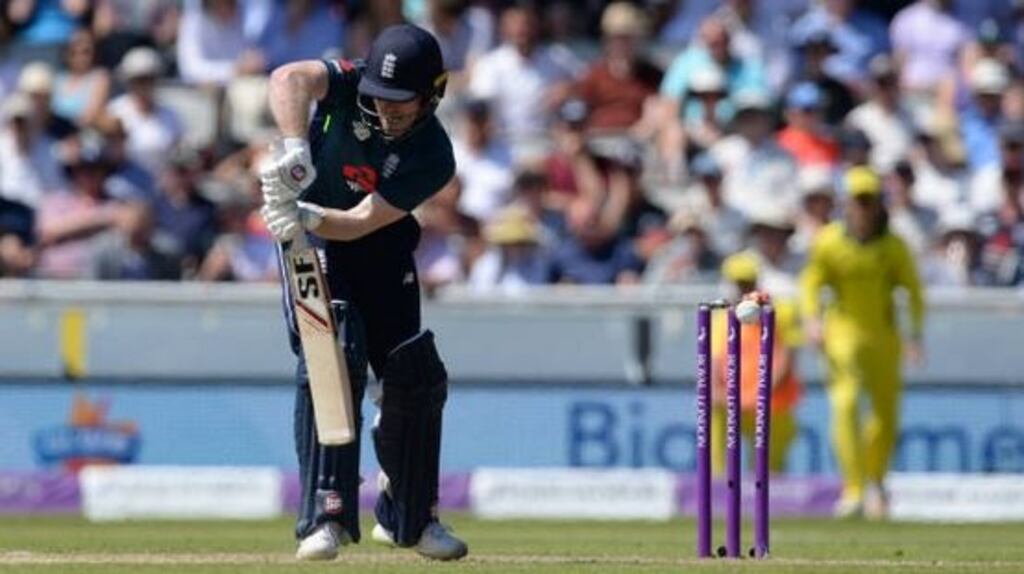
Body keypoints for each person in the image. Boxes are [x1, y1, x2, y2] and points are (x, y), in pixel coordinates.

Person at [257, 24, 468, 561]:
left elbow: (358, 222)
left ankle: (411, 519)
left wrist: (301, 212)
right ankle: (324, 517)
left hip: (372, 240)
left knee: (414, 375)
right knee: (334, 353)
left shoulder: (434, 155)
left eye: (401, 101)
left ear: (432, 95)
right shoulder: (350, 84)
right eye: (380, 97)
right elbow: (287, 77)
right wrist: (295, 147)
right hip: (314, 249)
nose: (387, 110)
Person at [800, 166, 926, 520]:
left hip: (884, 337)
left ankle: (876, 479)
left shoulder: (893, 245)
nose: (863, 207)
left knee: (886, 416)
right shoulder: (829, 241)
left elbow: (914, 292)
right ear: (847, 203)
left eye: (869, 200)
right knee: (846, 404)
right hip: (842, 333)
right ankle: (853, 488)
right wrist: (812, 320)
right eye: (858, 200)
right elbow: (810, 283)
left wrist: (914, 334)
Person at [710, 252, 802, 476]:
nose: (743, 290)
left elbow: (786, 362)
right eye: (738, 284)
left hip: (772, 402)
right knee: (714, 414)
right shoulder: (722, 319)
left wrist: (756, 397)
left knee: (769, 472)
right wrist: (724, 395)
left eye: (747, 283)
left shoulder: (781, 313)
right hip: (735, 403)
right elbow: (715, 366)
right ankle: (719, 486)